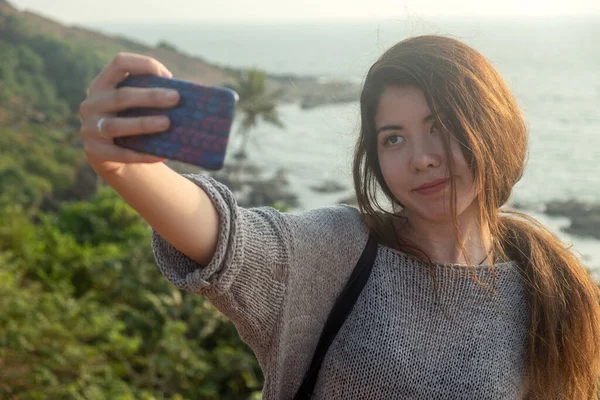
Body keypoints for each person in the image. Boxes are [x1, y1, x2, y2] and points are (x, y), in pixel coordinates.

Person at [79, 35, 600, 399]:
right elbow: (227, 238)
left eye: (439, 125)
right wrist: (123, 166)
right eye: (393, 138)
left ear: (492, 125)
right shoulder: (341, 250)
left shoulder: (552, 293)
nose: (421, 156)